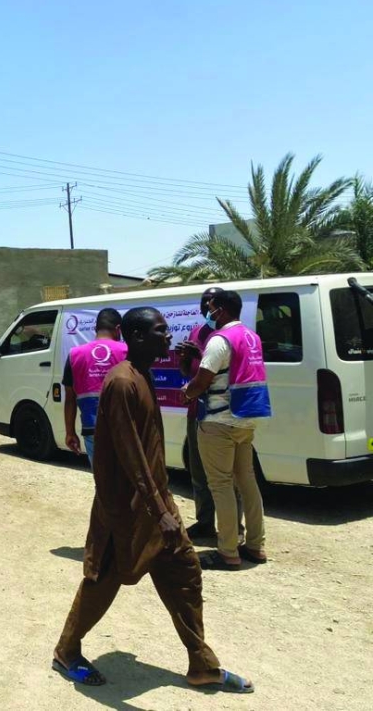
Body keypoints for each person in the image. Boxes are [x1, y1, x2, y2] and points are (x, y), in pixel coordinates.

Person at [52, 307, 253, 694]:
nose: (168, 337)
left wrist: (163, 505)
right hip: (123, 509)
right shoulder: (122, 383)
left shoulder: (142, 374)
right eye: (162, 332)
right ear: (138, 337)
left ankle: (202, 664)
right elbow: (130, 453)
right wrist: (160, 510)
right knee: (102, 580)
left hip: (155, 503)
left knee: (185, 573)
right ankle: (66, 650)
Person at [182, 290, 269, 571]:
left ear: (220, 310)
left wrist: (187, 391)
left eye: (210, 307)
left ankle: (228, 551)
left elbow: (201, 382)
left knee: (220, 485)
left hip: (218, 422)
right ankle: (255, 546)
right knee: (247, 483)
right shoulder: (251, 337)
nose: (207, 311)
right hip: (246, 420)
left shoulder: (219, 340)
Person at [177, 287, 242, 541]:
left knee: (228, 477)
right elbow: (189, 373)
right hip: (196, 412)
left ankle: (235, 530)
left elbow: (222, 370)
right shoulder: (197, 331)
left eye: (211, 303)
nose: (208, 307)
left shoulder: (229, 334)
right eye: (204, 302)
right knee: (198, 472)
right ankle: (205, 522)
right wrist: (185, 358)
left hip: (222, 414)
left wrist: (200, 355)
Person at [63, 308, 126, 466]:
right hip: (124, 428)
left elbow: (70, 399)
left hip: (92, 428)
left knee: (102, 480)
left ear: (95, 329)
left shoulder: (74, 355)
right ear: (118, 329)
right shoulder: (127, 351)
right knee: (126, 482)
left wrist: (70, 432)